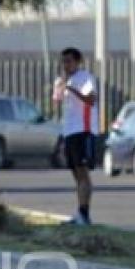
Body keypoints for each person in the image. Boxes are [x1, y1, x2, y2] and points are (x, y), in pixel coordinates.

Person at [53, 47, 98, 225]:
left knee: (83, 172)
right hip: (69, 132)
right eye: (63, 61)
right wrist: (59, 88)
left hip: (83, 130)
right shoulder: (64, 80)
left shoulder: (85, 78)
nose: (66, 65)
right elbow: (57, 101)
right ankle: (80, 212)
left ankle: (85, 213)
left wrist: (71, 89)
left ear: (78, 62)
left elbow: (91, 99)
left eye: (69, 61)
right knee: (76, 174)